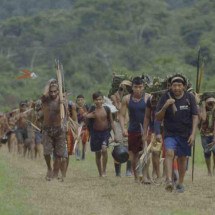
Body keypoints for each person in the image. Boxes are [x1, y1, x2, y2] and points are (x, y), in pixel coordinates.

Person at [155, 74, 198, 192]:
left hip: (185, 133)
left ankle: (180, 182)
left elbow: (195, 116)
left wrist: (193, 134)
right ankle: (169, 180)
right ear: (171, 86)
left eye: (179, 85)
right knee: (169, 153)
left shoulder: (190, 97)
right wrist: (165, 106)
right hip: (170, 133)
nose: (177, 88)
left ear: (184, 86)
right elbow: (158, 117)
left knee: (182, 158)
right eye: (174, 85)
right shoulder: (165, 97)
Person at [119, 76, 150, 182]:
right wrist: (123, 128)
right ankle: (136, 176)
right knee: (133, 155)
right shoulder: (127, 99)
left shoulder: (148, 98)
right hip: (132, 130)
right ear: (132, 87)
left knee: (146, 152)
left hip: (146, 129)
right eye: (136, 87)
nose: (138, 89)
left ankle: (145, 176)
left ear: (143, 87)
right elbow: (122, 115)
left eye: (140, 87)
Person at [41, 79, 68, 181]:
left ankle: (55, 173)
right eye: (51, 91)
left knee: (59, 154)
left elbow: (65, 115)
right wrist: (49, 83)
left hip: (59, 129)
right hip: (47, 129)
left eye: (55, 91)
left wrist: (63, 104)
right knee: (46, 153)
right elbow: (44, 94)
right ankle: (49, 168)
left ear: (58, 91)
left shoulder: (62, 100)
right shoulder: (45, 99)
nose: (52, 93)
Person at [86, 91, 117, 177]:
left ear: (103, 100)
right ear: (93, 101)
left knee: (104, 149)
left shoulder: (107, 109)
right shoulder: (92, 109)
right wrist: (89, 116)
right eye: (96, 100)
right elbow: (86, 118)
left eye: (100, 99)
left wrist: (115, 134)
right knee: (98, 153)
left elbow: (111, 121)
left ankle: (104, 171)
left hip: (105, 133)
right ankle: (100, 172)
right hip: (95, 133)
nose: (98, 101)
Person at [110, 80, 132, 177]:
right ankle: (118, 172)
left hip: (129, 123)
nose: (124, 88)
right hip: (118, 123)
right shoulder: (114, 96)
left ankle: (128, 170)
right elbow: (117, 108)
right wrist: (120, 94)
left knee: (129, 148)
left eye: (127, 87)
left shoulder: (131, 98)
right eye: (123, 87)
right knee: (117, 146)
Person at [143, 93, 162, 182]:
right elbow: (147, 117)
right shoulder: (150, 99)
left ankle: (166, 176)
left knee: (168, 154)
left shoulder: (169, 97)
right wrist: (145, 132)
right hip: (154, 129)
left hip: (168, 130)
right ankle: (157, 175)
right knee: (155, 152)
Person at [199, 94, 215, 176]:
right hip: (204, 135)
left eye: (213, 102)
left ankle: (214, 168)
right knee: (207, 152)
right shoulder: (201, 109)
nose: (211, 104)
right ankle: (209, 171)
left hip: (213, 134)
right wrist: (203, 105)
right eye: (209, 103)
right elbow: (204, 118)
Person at [75, 94, 90, 160]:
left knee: (84, 141)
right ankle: (77, 155)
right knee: (77, 141)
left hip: (85, 127)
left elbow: (90, 116)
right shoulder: (75, 108)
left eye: (81, 100)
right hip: (77, 126)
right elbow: (74, 117)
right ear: (76, 101)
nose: (80, 101)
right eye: (78, 100)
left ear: (84, 100)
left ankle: (83, 156)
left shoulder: (87, 107)